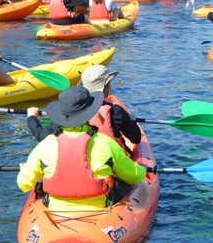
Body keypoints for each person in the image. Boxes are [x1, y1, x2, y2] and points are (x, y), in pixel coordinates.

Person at [17, 86, 147, 212]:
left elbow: (24, 184)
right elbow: (135, 177)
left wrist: (24, 171)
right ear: (88, 114)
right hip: (99, 207)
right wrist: (142, 169)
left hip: (56, 209)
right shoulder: (105, 143)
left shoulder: (45, 145)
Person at [27, 65, 142, 148]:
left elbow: (43, 137)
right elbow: (136, 138)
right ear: (106, 87)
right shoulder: (116, 112)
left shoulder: (68, 111)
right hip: (109, 168)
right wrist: (131, 120)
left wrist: (32, 118)